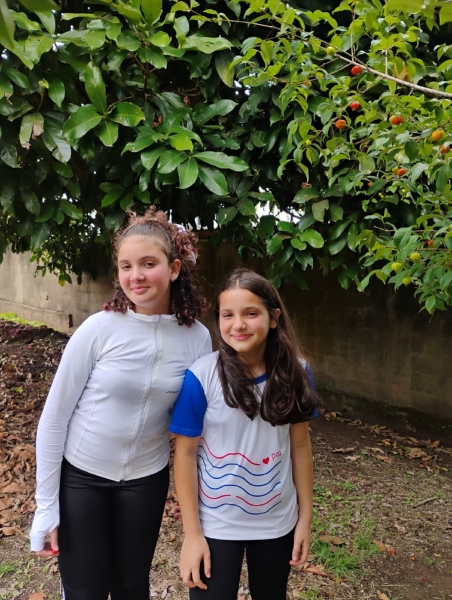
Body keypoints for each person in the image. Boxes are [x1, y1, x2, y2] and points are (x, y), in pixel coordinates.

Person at [30, 207, 212, 600]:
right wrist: (46, 505)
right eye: (126, 266)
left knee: (132, 587)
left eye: (149, 263)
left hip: (146, 481)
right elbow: (55, 418)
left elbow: (196, 427)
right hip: (83, 478)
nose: (136, 276)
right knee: (86, 590)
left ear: (174, 269)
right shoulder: (99, 329)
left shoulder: (197, 338)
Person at [169, 268, 318, 600]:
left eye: (251, 313)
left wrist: (305, 518)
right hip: (215, 524)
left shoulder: (296, 372)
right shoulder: (202, 376)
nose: (238, 325)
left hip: (277, 522)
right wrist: (192, 534)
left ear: (274, 318)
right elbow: (185, 454)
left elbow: (300, 446)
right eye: (228, 315)